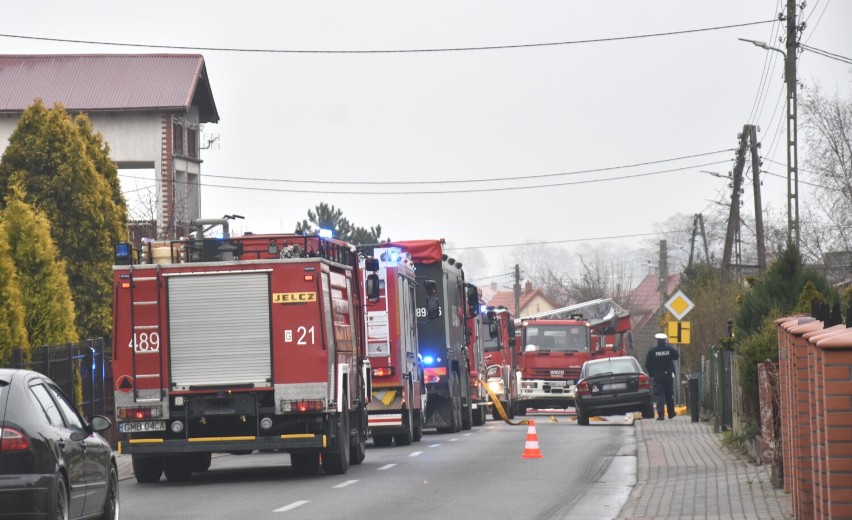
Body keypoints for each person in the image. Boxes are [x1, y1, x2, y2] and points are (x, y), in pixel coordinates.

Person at [644, 332, 679, 420]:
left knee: (660, 395)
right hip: (668, 375)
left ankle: (661, 415)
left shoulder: (652, 351)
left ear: (657, 341)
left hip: (658, 376)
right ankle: (671, 413)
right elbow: (676, 356)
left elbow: (647, 364)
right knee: (669, 394)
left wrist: (652, 373)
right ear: (665, 340)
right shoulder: (669, 349)